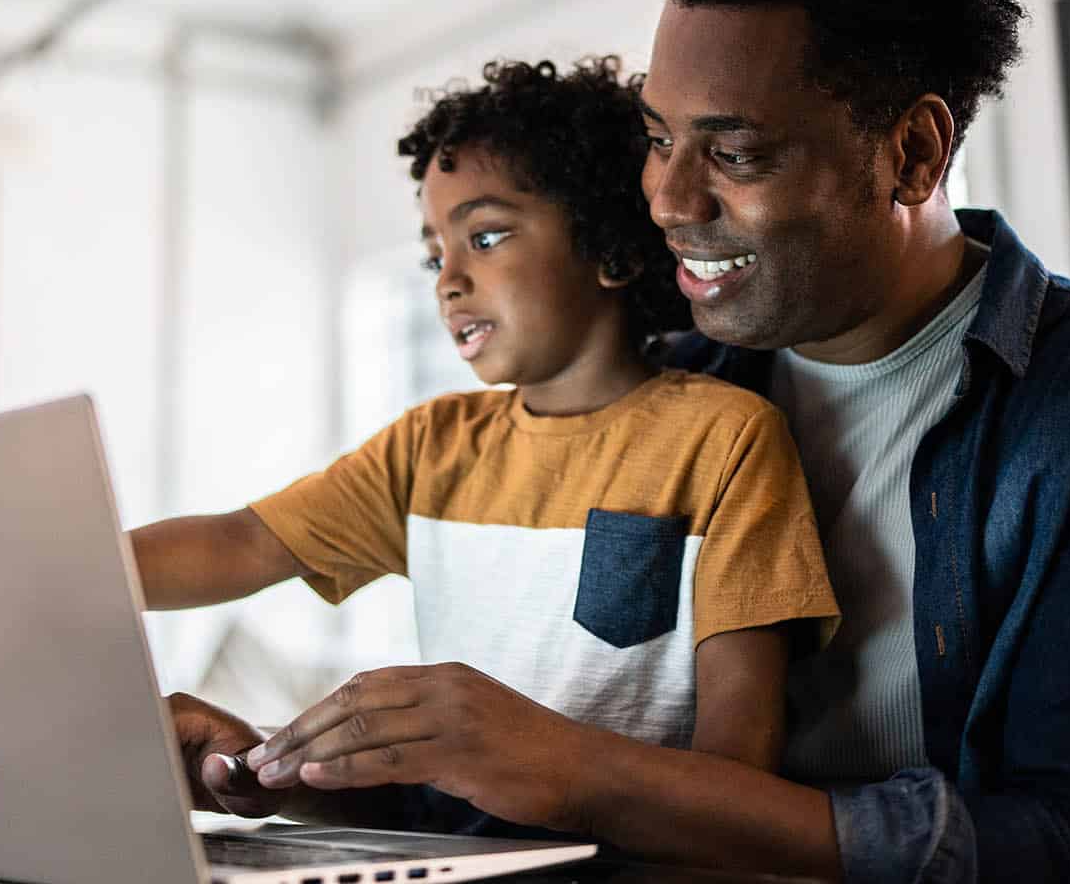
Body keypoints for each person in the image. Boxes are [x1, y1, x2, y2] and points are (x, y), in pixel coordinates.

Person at [175, 0, 1070, 883]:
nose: (665, 198)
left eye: (735, 153)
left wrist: (593, 776)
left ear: (912, 151)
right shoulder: (665, 395)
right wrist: (296, 777)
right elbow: (544, 787)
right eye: (658, 139)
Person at [139, 57, 838, 833]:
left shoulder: (726, 439)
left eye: (487, 236)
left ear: (612, 249)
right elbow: (240, 543)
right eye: (435, 254)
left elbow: (739, 776)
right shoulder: (429, 447)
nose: (447, 280)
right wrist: (56, 570)